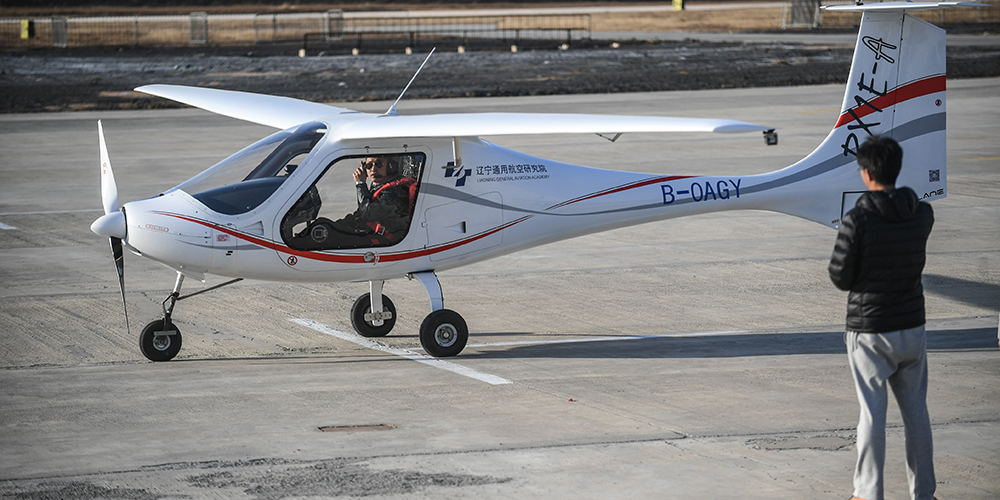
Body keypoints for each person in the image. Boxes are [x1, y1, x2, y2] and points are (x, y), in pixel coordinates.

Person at [828, 136, 936, 500]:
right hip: (912, 326)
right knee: (916, 414)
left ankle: (868, 492)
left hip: (871, 330)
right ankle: (924, 493)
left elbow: (840, 277)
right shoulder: (922, 212)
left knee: (872, 416)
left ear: (866, 173)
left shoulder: (858, 219)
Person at [282, 156, 415, 250]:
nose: (373, 169)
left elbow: (368, 213)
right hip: (370, 232)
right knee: (323, 224)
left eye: (379, 164)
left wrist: (360, 184)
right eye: (369, 165)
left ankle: (291, 247)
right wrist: (339, 224)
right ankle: (293, 242)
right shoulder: (383, 187)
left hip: (382, 240)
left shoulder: (395, 191)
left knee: (326, 233)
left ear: (391, 166)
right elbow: (362, 214)